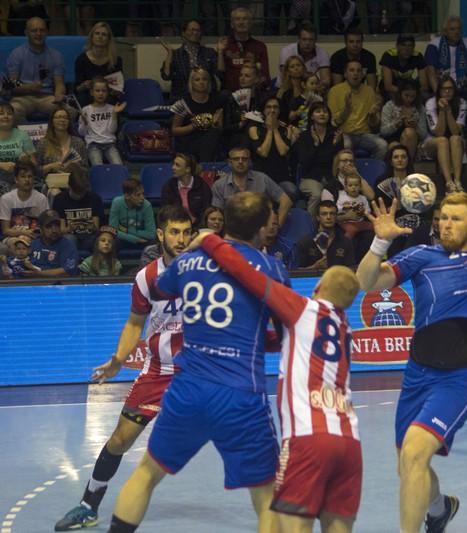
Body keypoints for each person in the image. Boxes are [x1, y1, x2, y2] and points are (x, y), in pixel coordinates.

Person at [106, 192, 289, 533]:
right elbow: (282, 334)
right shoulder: (272, 268)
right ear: (262, 228)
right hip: (240, 394)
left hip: (188, 389)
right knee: (266, 496)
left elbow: (162, 287)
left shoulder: (187, 263)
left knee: (146, 474)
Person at [356, 192, 467, 533]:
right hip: (418, 374)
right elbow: (366, 282)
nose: (446, 224)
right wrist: (380, 242)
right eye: (443, 217)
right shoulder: (421, 256)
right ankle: (440, 509)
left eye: (455, 219)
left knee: (415, 454)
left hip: (460, 377)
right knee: (407, 465)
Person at [189, 233, 363, 533]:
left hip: (309, 438)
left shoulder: (303, 309)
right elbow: (288, 342)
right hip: (350, 442)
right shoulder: (345, 329)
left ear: (317, 288)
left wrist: (210, 241)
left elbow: (246, 273)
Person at [54, 206, 192, 531]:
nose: (181, 239)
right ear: (161, 234)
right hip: (158, 372)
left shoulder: (206, 271)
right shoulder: (147, 278)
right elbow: (134, 324)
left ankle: (281, 504)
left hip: (201, 373)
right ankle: (88, 505)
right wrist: (118, 360)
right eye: (175, 232)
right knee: (119, 440)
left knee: (243, 436)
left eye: (187, 232)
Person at [6, 17, 69, 125]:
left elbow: (59, 83)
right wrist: (29, 87)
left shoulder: (56, 55)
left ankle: (50, 133)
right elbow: (12, 85)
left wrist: (59, 95)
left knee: (70, 111)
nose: (38, 34)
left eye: (42, 30)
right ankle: (27, 133)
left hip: (47, 97)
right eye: (34, 31)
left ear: (47, 32)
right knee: (12, 112)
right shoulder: (16, 54)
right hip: (22, 98)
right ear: (26, 33)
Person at [211, 146, 292, 227]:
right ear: (230, 162)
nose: (240, 162)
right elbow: (217, 214)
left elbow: (286, 201)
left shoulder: (262, 179)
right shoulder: (219, 185)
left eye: (244, 159)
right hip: (232, 229)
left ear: (249, 162)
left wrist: (276, 226)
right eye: (236, 159)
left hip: (260, 229)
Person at [291, 102, 344, 217]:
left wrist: (335, 145)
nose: (322, 114)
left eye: (325, 111)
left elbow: (338, 159)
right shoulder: (304, 136)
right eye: (318, 111)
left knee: (339, 192)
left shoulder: (335, 134)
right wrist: (315, 145)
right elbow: (305, 162)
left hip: (330, 176)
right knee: (317, 194)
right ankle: (310, 225)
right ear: (311, 116)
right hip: (309, 177)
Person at [327, 60, 387, 161]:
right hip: (345, 133)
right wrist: (346, 110)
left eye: (359, 71)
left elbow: (374, 126)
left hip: (364, 134)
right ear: (345, 74)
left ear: (363, 75)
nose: (355, 73)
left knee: (383, 145)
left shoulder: (369, 91)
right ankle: (348, 170)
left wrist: (372, 115)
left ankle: (372, 170)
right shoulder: (335, 91)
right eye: (352, 70)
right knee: (346, 145)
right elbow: (333, 123)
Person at [423, 75, 466, 194]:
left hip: (455, 143)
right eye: (444, 89)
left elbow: (456, 131)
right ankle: (449, 183)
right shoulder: (431, 103)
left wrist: (448, 111)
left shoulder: (462, 102)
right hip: (433, 142)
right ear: (439, 90)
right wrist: (442, 111)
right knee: (443, 140)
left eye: (450, 88)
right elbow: (438, 132)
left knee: (455, 138)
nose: (447, 91)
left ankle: (457, 182)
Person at [171, 67, 225, 163]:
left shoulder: (217, 101)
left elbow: (220, 128)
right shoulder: (183, 104)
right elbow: (174, 130)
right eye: (197, 79)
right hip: (189, 140)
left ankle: (205, 165)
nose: (201, 82)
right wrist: (193, 126)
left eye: (204, 79)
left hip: (211, 139)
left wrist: (214, 123)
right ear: (191, 83)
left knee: (214, 134)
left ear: (209, 82)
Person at [160, 19, 219, 102]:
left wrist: (220, 52)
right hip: (181, 99)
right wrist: (170, 53)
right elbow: (166, 76)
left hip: (206, 99)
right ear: (183, 33)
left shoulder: (209, 52)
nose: (195, 33)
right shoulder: (176, 54)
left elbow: (220, 73)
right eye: (192, 30)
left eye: (198, 30)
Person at [216, 7, 270, 92]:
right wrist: (220, 52)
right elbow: (220, 74)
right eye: (237, 19)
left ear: (250, 23)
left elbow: (265, 76)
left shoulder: (260, 46)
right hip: (229, 94)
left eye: (245, 19)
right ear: (232, 24)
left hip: (253, 94)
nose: (241, 22)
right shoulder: (225, 45)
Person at [249, 97, 294, 195]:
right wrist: (270, 130)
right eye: (268, 107)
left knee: (291, 191)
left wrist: (275, 129)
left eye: (275, 107)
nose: (272, 110)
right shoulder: (254, 129)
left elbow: (282, 151)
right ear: (263, 110)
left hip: (281, 176)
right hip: (261, 175)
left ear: (279, 110)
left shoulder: (286, 129)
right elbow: (263, 152)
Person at [52, 166, 103, 252]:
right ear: (69, 187)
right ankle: (71, 260)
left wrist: (92, 227)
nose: (79, 196)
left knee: (99, 240)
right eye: (76, 193)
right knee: (69, 239)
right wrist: (69, 229)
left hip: (89, 237)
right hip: (69, 236)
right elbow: (60, 230)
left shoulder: (94, 198)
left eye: (82, 193)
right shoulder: (60, 200)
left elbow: (97, 228)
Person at [295, 200, 355, 270]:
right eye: (324, 214)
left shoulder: (345, 242)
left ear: (336, 217)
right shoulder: (306, 242)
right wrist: (314, 267)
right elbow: (296, 272)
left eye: (332, 214)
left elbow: (351, 270)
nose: (328, 217)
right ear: (318, 217)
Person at [78, 78, 126, 166]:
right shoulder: (86, 110)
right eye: (97, 91)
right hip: (93, 144)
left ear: (107, 93)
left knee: (119, 167)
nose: (101, 93)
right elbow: (82, 133)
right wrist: (85, 122)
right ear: (91, 92)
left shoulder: (112, 108)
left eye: (104, 91)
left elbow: (112, 130)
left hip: (110, 144)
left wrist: (114, 114)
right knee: (98, 168)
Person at [74, 22, 124, 107]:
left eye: (104, 34)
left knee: (112, 101)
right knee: (81, 100)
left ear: (108, 39)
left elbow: (119, 89)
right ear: (92, 37)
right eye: (97, 33)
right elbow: (77, 89)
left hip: (107, 96)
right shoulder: (81, 59)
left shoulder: (116, 60)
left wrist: (116, 91)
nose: (100, 37)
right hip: (87, 95)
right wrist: (84, 85)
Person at [37, 106, 89, 187]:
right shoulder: (43, 143)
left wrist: (76, 168)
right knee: (55, 192)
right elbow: (36, 171)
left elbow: (86, 170)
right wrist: (50, 167)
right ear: (52, 121)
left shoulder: (79, 143)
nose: (62, 120)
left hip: (74, 185)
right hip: (52, 185)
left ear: (69, 122)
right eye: (58, 117)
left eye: (65, 118)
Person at [160, 152, 213, 226]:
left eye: (177, 165)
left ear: (187, 169)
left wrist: (196, 224)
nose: (173, 167)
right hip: (176, 224)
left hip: (199, 226)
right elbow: (165, 211)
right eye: (173, 164)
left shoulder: (202, 186)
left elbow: (206, 212)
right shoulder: (169, 186)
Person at [380, 80, 426, 162]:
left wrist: (415, 127)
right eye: (406, 95)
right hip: (393, 139)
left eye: (412, 96)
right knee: (395, 147)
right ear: (400, 93)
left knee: (409, 132)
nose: (409, 99)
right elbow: (383, 131)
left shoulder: (420, 108)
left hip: (413, 141)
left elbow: (423, 134)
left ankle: (408, 165)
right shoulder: (389, 106)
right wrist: (396, 124)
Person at [0, 160, 48, 239]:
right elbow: (5, 230)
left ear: (34, 178)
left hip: (35, 237)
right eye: (23, 176)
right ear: (16, 179)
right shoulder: (6, 199)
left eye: (30, 176)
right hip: (11, 237)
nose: (27, 179)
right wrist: (24, 233)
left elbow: (45, 227)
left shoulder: (41, 199)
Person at [278, 21, 331, 90]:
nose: (307, 43)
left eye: (311, 40)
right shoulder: (287, 51)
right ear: (298, 39)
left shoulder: (322, 53)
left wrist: (316, 87)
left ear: (315, 40)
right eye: (304, 39)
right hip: (286, 88)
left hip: (311, 89)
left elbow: (326, 80)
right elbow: (286, 78)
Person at [28, 209, 79, 277]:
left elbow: (68, 271)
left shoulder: (67, 245)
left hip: (58, 282)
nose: (54, 230)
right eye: (49, 226)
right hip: (32, 282)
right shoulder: (33, 244)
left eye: (57, 225)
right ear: (40, 228)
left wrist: (39, 273)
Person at [0, 102, 37, 195]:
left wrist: (26, 161)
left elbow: (34, 164)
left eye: (9, 113)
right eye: (1, 113)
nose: (5, 116)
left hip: (18, 178)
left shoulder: (22, 135)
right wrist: (1, 165)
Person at [379, 34, 429, 100]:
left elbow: (424, 85)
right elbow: (388, 86)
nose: (407, 49)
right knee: (396, 98)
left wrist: (413, 92)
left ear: (413, 47)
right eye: (403, 45)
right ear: (397, 46)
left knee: (425, 96)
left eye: (410, 46)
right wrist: (406, 92)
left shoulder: (417, 56)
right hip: (393, 87)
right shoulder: (389, 55)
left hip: (407, 84)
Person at [109, 179, 156, 248]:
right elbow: (112, 231)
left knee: (153, 242)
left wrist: (127, 230)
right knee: (112, 241)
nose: (142, 198)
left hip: (142, 240)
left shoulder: (147, 205)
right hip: (126, 239)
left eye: (143, 194)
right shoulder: (117, 203)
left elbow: (151, 234)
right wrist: (135, 239)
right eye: (138, 195)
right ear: (127, 196)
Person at [335, 173, 372, 240]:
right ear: (346, 188)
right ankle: (345, 243)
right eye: (350, 185)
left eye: (356, 185)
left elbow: (368, 210)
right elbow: (337, 210)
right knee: (351, 230)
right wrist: (344, 208)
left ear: (360, 187)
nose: (353, 187)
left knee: (374, 226)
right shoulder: (342, 197)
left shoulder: (363, 198)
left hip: (360, 222)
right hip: (346, 222)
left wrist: (364, 211)